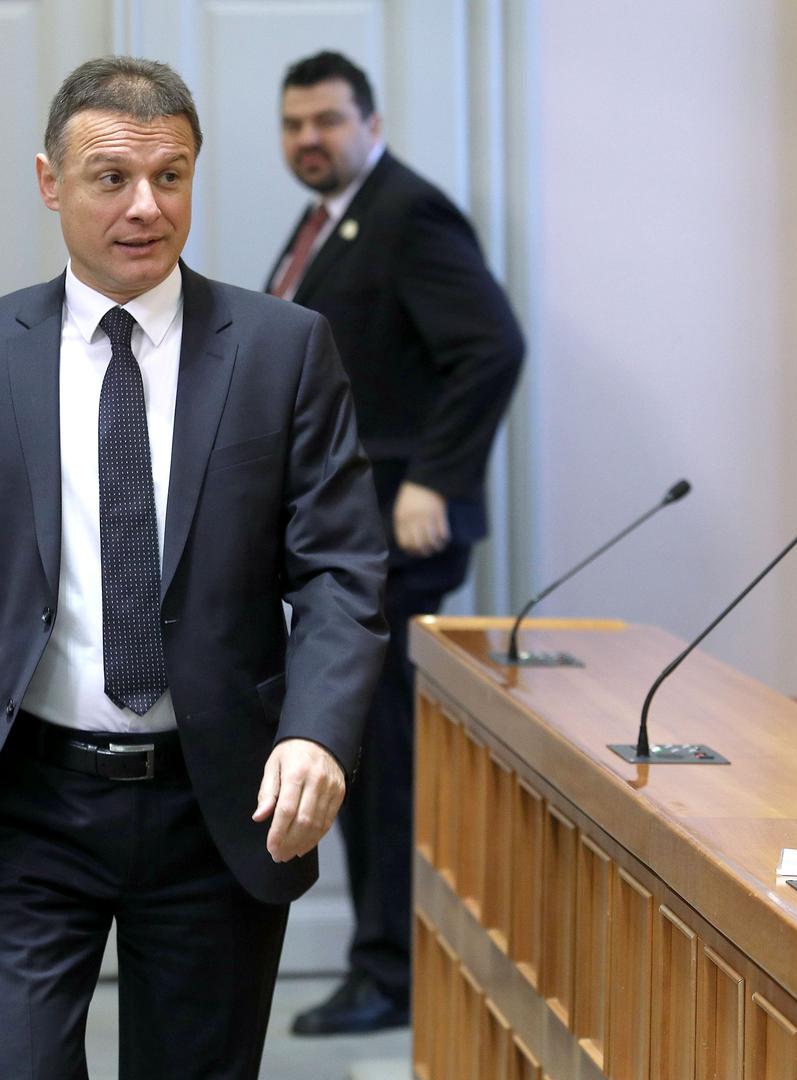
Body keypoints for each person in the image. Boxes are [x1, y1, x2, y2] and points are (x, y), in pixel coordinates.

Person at [0, 57, 388, 1080]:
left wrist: (315, 730)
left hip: (214, 805)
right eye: (111, 178)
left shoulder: (283, 350)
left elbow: (341, 573)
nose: (145, 207)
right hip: (22, 806)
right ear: (50, 182)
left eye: (169, 177)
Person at [265, 51, 525, 1036]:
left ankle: (390, 974)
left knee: (373, 756)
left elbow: (490, 346)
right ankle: (385, 965)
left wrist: (433, 479)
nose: (309, 139)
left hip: (393, 532)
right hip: (343, 531)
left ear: (369, 125)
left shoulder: (407, 213)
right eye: (294, 124)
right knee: (358, 745)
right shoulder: (326, 218)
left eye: (327, 121)